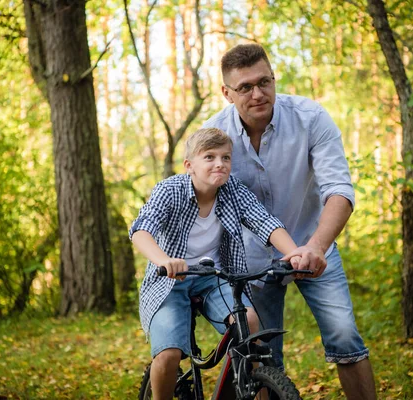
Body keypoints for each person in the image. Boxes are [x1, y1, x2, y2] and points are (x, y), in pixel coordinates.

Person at [203, 43, 377, 399]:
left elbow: (339, 191)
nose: (258, 93)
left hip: (313, 243)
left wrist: (315, 247)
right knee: (261, 357)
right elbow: (202, 201)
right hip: (249, 261)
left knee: (344, 335)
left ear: (273, 77)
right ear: (226, 93)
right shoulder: (213, 135)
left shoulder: (311, 118)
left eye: (264, 81)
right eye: (245, 87)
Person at [129, 127, 301, 400]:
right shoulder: (169, 190)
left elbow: (264, 221)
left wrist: (294, 253)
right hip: (170, 280)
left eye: (226, 157)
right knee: (169, 352)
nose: (219, 164)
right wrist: (164, 260)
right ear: (190, 165)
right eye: (209, 157)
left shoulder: (233, 190)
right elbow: (141, 230)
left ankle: (256, 392)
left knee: (250, 327)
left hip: (215, 277)